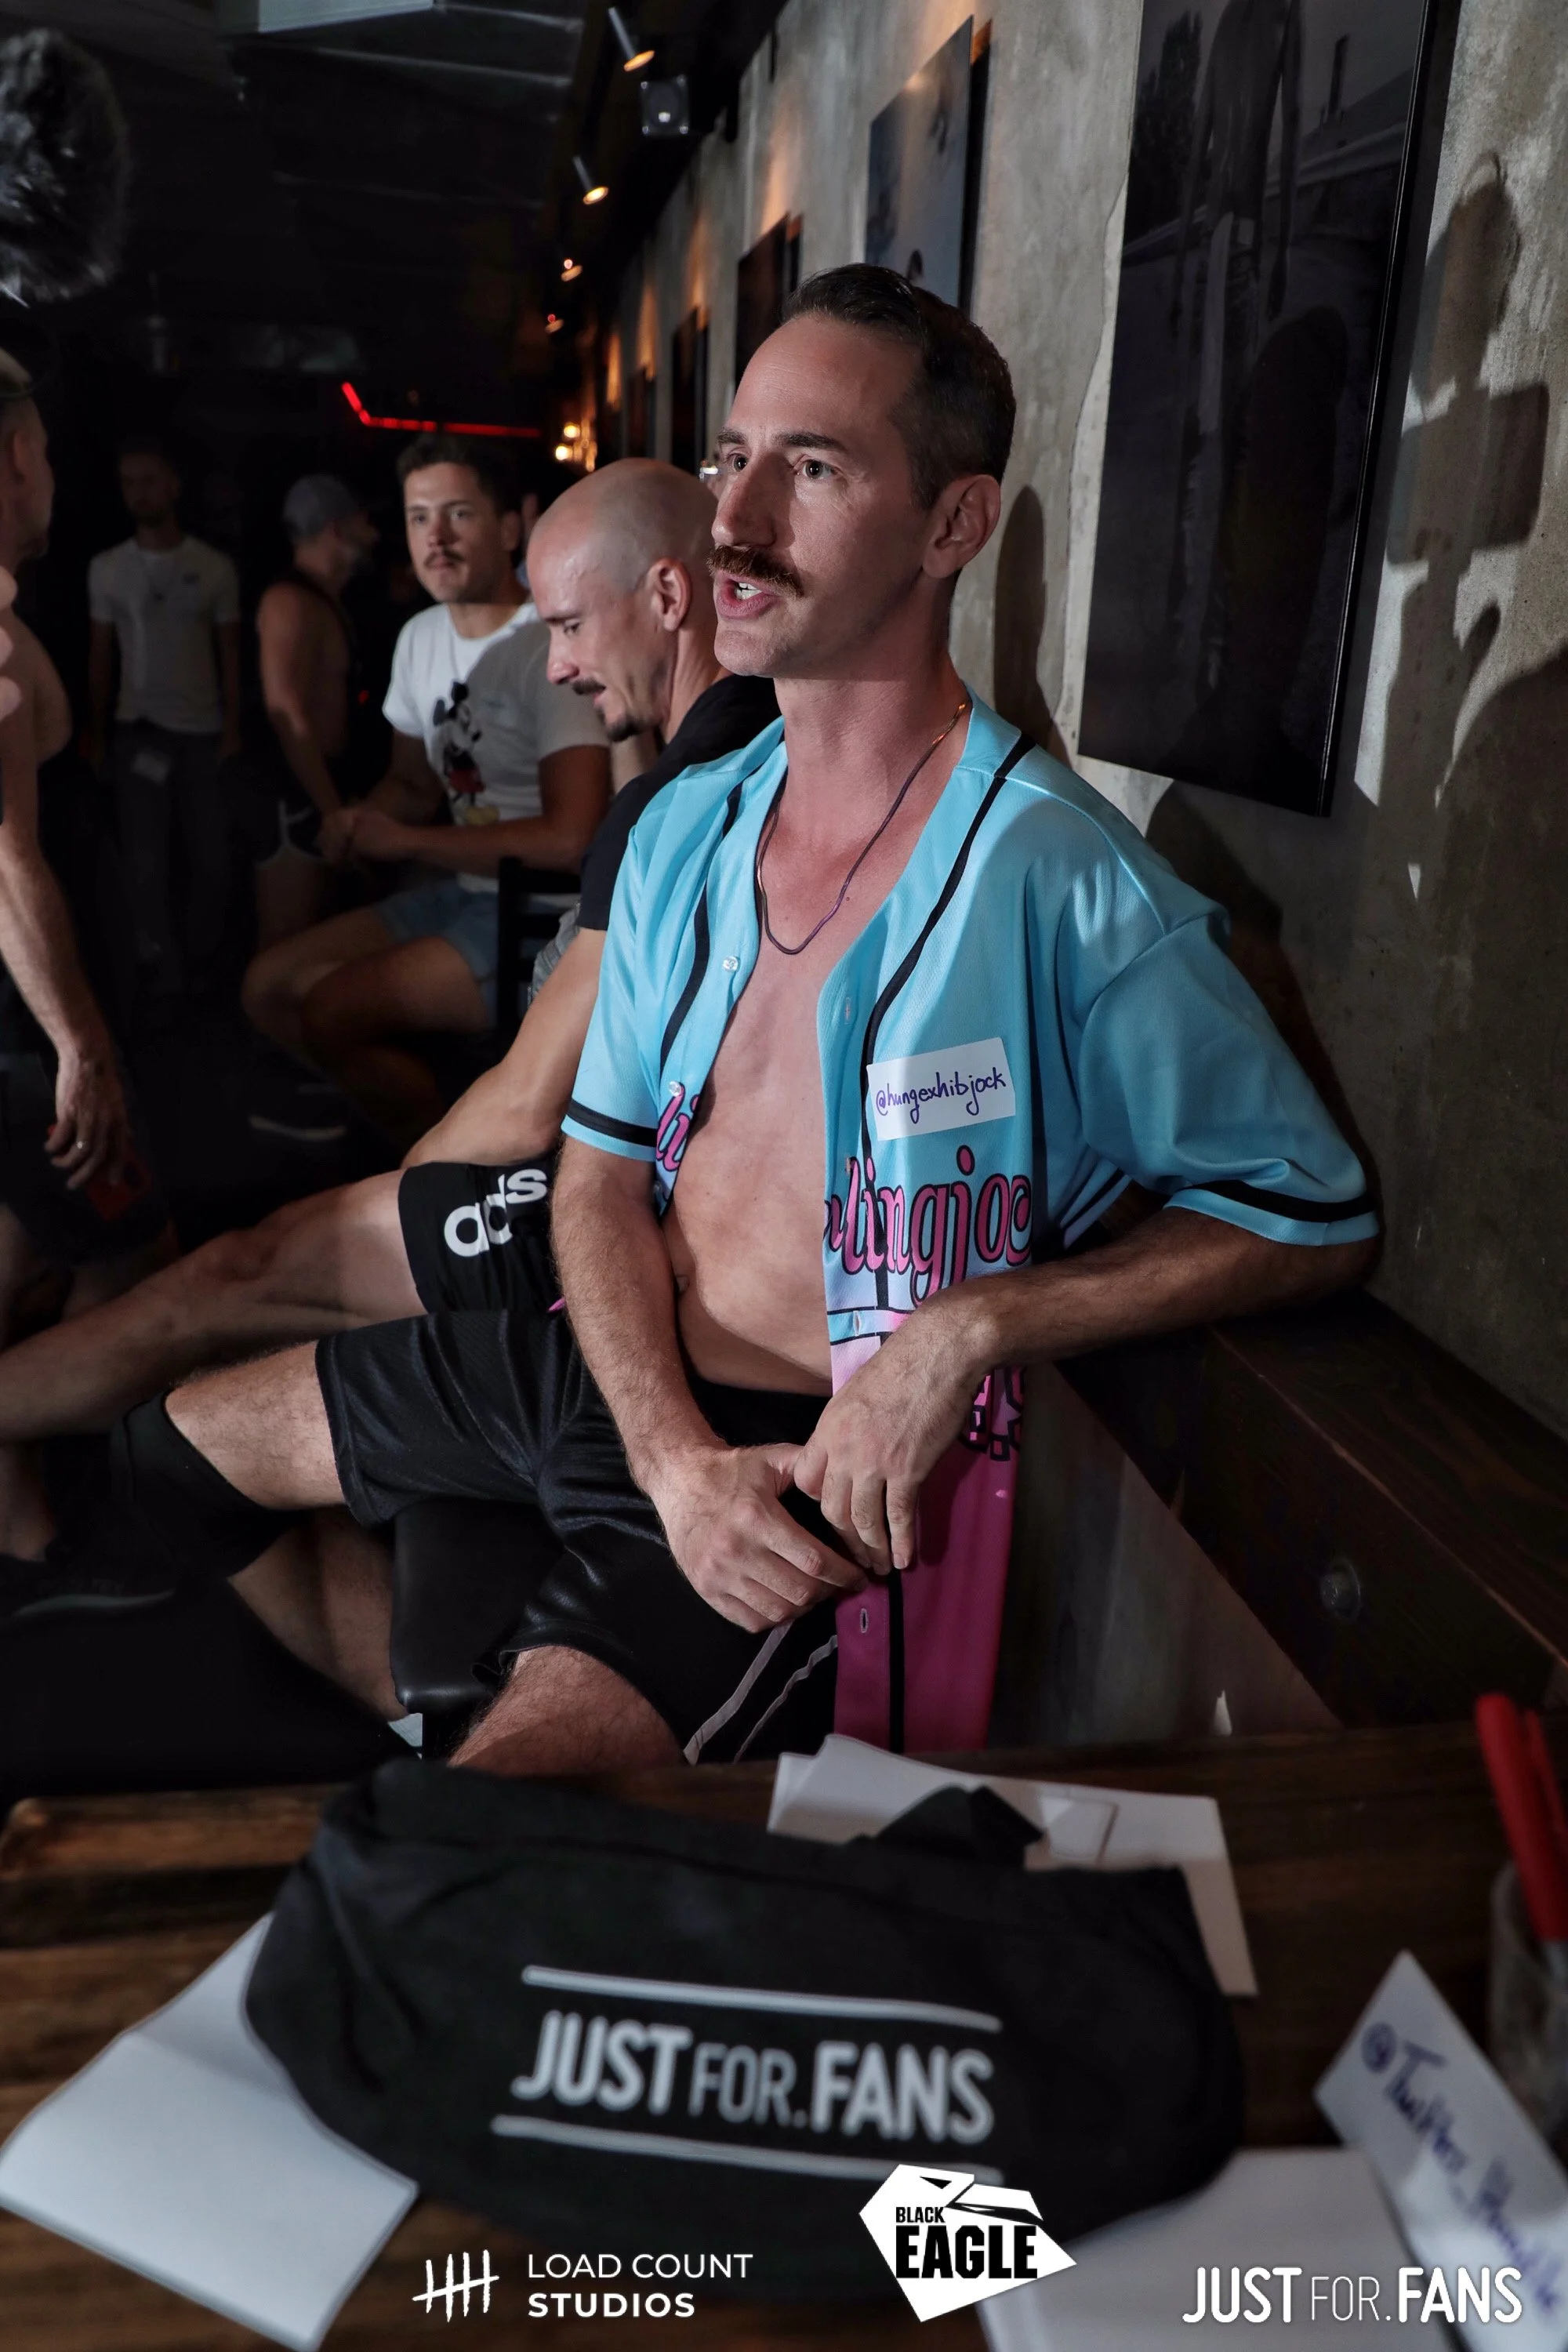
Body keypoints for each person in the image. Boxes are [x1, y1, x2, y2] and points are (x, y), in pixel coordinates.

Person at [39, 271, 1377, 1755]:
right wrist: (662, 1449)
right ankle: (443, 1719)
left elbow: (1302, 1211)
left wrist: (968, 1328)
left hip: (779, 1468)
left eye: (811, 470)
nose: (736, 523)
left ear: (953, 526)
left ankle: (502, 1752)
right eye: (736, 459)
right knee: (168, 1456)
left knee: (483, 1842)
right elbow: (601, 1173)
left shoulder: (1057, 879)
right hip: (609, 1374)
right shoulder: (691, 826)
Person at [0, 460, 774, 1609]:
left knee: (230, 1286)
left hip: (604, 1220)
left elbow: (526, 1102)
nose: (555, 661)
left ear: (668, 597)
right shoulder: (736, 745)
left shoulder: (684, 793)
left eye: (565, 626)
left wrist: (401, 1213)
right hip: (632, 1192)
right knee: (233, 1269)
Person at [241, 434, 610, 1149]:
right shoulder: (418, 638)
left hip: (538, 915)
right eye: (417, 518)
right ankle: (414, 1125)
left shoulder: (548, 641)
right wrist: (363, 821)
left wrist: (407, 841)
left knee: (329, 1010)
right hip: (462, 890)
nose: (434, 538)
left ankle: (449, 1161)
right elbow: (412, 783)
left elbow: (571, 840)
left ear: (509, 528)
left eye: (458, 515)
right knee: (267, 986)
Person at [0, 353, 173, 1559]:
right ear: (14, 458)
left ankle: (29, 1531)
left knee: (100, 1255)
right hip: (23, 1030)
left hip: (23, 1025)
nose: (56, 476)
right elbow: (7, 865)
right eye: (47, 453)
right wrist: (82, 1045)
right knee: (134, 1254)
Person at [1167, 0, 1301, 693]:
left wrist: (1262, 252)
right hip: (1235, 239)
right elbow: (1275, 137)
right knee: (1221, 440)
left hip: (1231, 239)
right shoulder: (1266, 25)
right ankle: (1202, 638)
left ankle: (1209, 639)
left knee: (1224, 442)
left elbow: (1269, 138)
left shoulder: (1264, 24)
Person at [86, 435, 242, 997]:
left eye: (149, 480)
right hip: (138, 732)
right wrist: (97, 736)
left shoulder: (213, 567)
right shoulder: (107, 570)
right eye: (129, 482)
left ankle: (200, 964)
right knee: (145, 864)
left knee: (212, 863)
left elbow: (230, 653)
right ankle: (163, 974)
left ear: (173, 485)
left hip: (200, 735)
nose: (139, 493)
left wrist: (232, 728)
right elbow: (102, 656)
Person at [249, 474, 379, 952]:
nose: (376, 535)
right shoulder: (290, 601)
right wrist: (330, 811)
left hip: (323, 787)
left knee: (317, 944)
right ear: (337, 530)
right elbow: (287, 711)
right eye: (365, 524)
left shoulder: (326, 600)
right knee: (287, 947)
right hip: (297, 793)